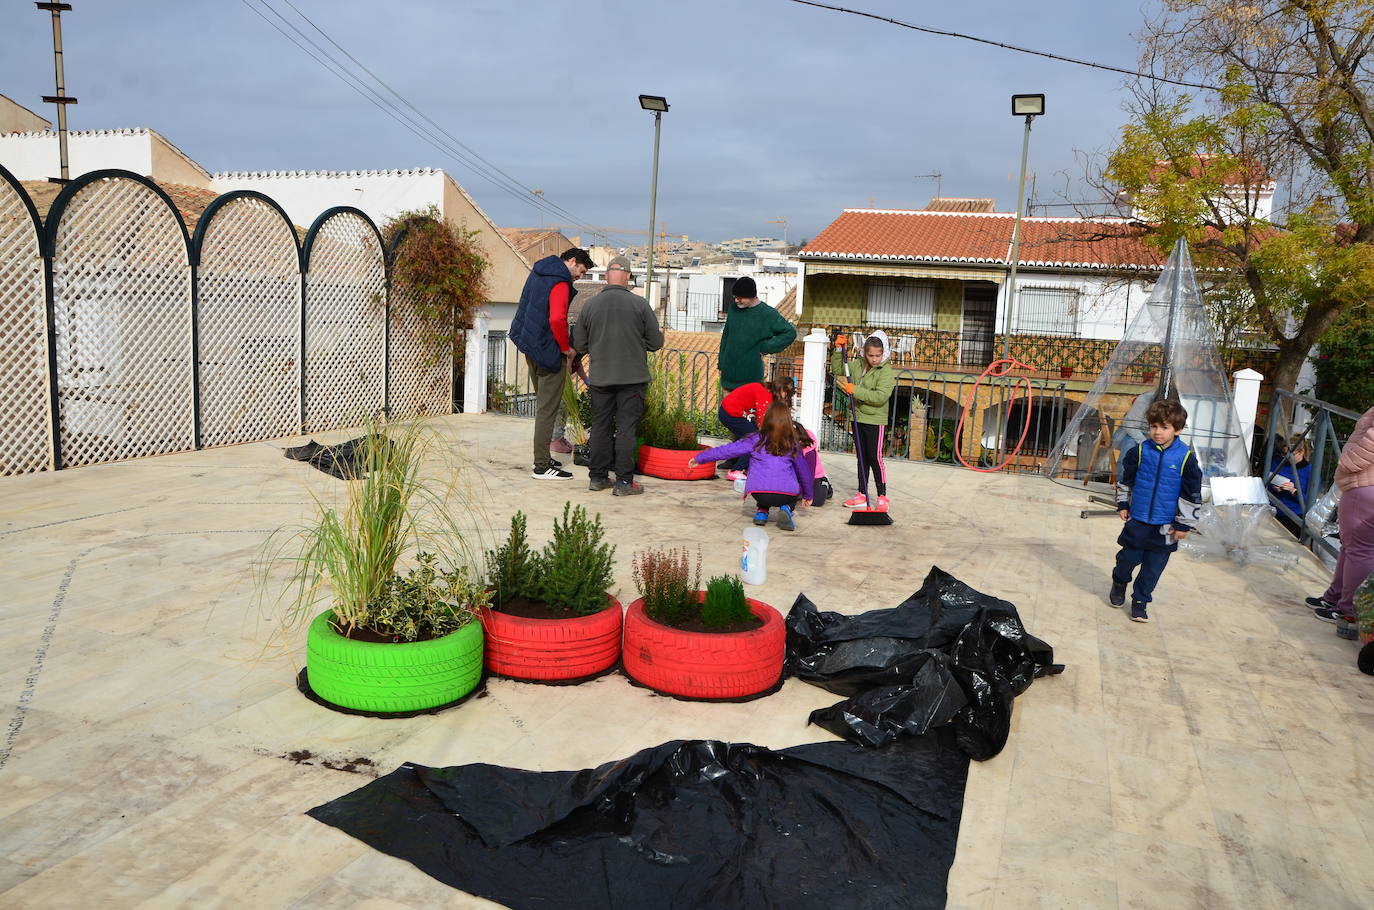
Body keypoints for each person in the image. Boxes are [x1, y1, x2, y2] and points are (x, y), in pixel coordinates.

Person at [573, 255, 665, 496]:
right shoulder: (640, 304)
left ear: (605, 277)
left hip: (601, 378)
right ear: (627, 276)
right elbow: (656, 343)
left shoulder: (590, 305)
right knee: (626, 429)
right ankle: (624, 483)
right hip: (632, 379)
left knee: (600, 427)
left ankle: (597, 478)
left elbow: (580, 343)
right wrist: (636, 342)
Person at [1109, 399, 1203, 623]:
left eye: (1164, 427)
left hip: (1166, 525)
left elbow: (1192, 493)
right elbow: (1126, 480)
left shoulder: (1185, 458)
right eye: (1153, 427)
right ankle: (1119, 583)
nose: (1157, 432)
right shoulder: (1139, 451)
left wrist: (1183, 524)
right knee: (1127, 558)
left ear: (1177, 430)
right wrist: (1123, 504)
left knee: (1153, 568)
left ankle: (1140, 601)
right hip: (1138, 519)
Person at [509, 247, 594, 479]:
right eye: (582, 271)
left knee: (544, 408)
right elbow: (557, 317)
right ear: (572, 261)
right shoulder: (560, 282)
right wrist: (566, 348)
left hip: (530, 346)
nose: (580, 276)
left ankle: (543, 458)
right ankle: (542, 466)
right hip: (548, 351)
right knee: (548, 411)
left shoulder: (539, 272)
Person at [689, 402, 814, 531]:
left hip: (758, 493)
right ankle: (786, 508)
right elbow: (804, 472)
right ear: (788, 421)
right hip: (785, 494)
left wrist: (701, 458)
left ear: (766, 419)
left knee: (763, 478)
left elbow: (728, 450)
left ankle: (762, 512)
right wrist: (808, 495)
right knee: (792, 479)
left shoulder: (756, 439)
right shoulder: (792, 443)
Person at [1307, 404, 1374, 625]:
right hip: (1364, 485)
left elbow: (1371, 444)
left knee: (1359, 550)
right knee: (1351, 546)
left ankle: (1347, 610)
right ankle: (1335, 598)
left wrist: (1345, 463)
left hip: (1365, 484)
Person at [829, 331, 896, 511]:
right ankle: (861, 494)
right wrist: (837, 349)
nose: (874, 359)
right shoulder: (858, 365)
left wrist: (855, 390)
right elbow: (837, 369)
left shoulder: (886, 371)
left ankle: (882, 496)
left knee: (875, 458)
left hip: (875, 419)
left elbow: (880, 397)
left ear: (884, 353)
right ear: (864, 352)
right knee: (862, 458)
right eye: (871, 355)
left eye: (878, 355)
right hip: (858, 417)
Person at [718, 276, 797, 393]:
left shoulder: (767, 314)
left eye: (740, 298)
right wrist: (721, 364)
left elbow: (790, 332)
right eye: (735, 297)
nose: (736, 300)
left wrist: (766, 347)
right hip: (728, 378)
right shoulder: (733, 309)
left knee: (749, 411)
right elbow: (726, 337)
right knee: (728, 411)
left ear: (752, 296)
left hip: (751, 379)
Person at [716, 377, 794, 479]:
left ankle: (735, 461)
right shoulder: (766, 394)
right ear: (781, 389)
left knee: (747, 437)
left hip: (732, 411)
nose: (786, 396)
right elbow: (762, 422)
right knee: (755, 441)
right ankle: (737, 470)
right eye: (786, 393)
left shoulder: (768, 390)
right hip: (731, 413)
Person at [1267, 438, 1312, 537]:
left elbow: (1310, 501)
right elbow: (1267, 480)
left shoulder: (1310, 472)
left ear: (1301, 452)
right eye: (1284, 454)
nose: (1287, 457)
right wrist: (1274, 486)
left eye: (1291, 454)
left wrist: (1294, 490)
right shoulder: (1277, 462)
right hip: (1272, 510)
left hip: (1294, 516)